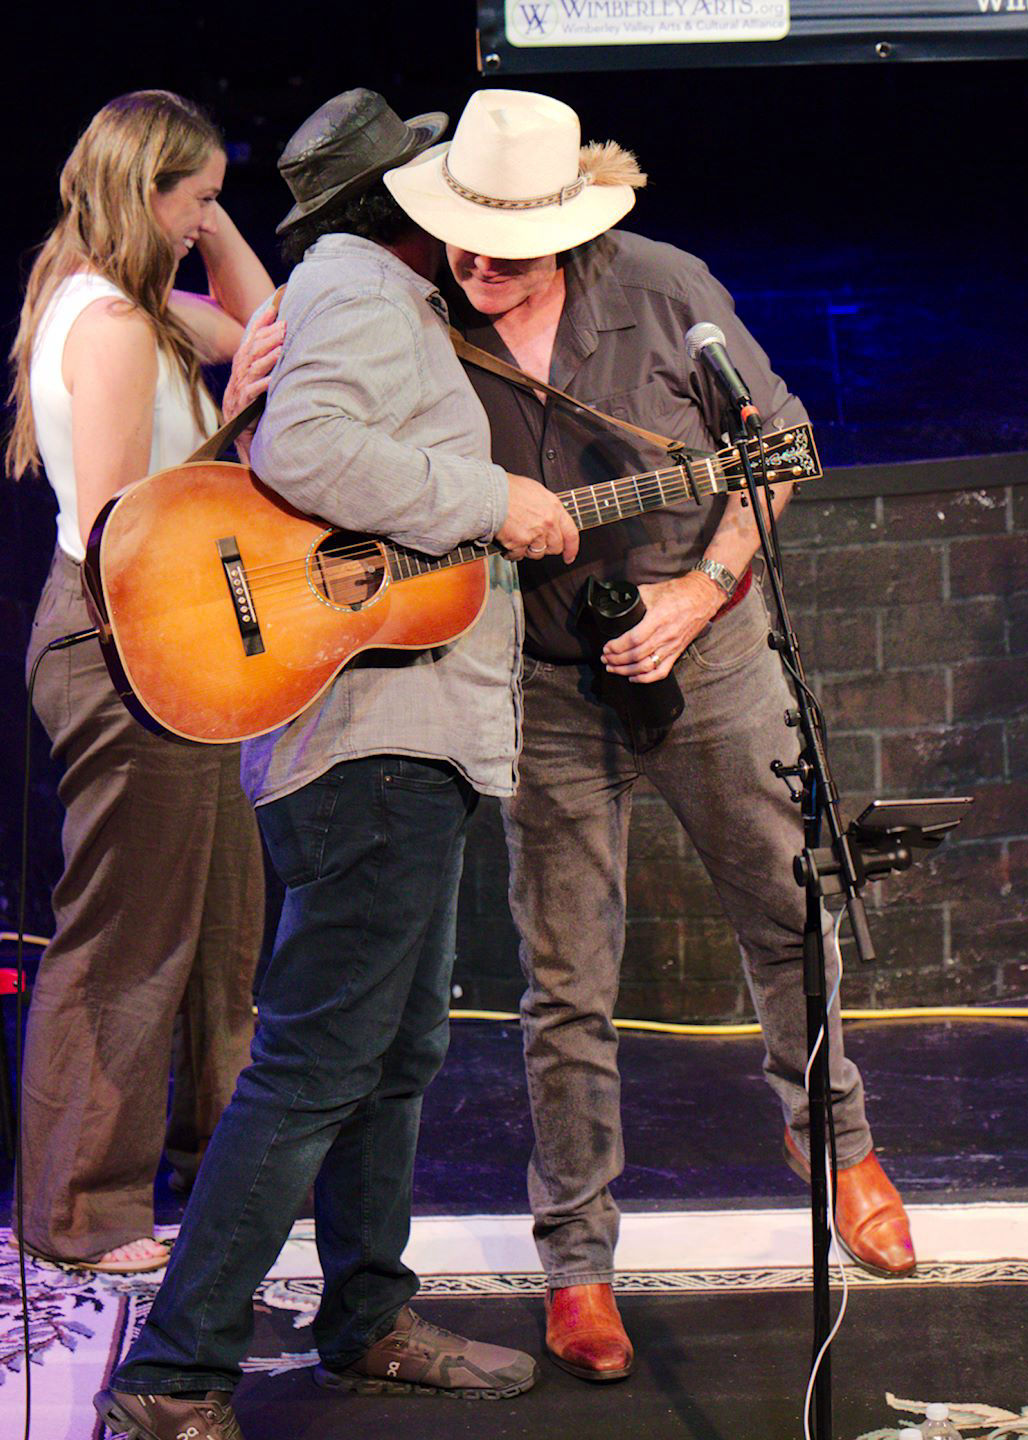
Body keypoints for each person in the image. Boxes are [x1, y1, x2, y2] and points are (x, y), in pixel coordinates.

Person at [381, 89, 916, 1383]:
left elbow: (781, 449)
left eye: (509, 245)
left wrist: (700, 592)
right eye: (466, 236)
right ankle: (577, 1262)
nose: (479, 263)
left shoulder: (667, 289)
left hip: (711, 657)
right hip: (548, 686)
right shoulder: (423, 315)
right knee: (566, 984)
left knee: (787, 910)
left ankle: (836, 1140)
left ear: (567, 231)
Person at [96, 87, 579, 1440]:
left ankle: (367, 1315)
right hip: (375, 753)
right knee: (316, 1061)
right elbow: (307, 446)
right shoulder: (361, 286)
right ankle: (175, 1374)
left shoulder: (384, 297)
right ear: (399, 201)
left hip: (407, 745)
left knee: (397, 1050)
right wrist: (492, 499)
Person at [5, 90, 274, 1275]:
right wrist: (232, 438)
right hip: (125, 641)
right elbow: (124, 526)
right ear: (140, 190)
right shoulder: (112, 323)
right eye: (194, 200)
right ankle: (80, 1209)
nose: (204, 221)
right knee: (128, 935)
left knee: (219, 922)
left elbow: (267, 328)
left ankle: (222, 1167)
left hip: (179, 641)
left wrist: (216, 224)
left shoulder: (137, 303)